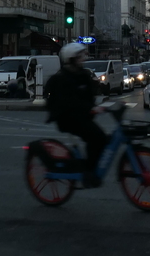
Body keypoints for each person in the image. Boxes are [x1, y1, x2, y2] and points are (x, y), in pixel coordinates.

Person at [44, 42, 108, 186]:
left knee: (101, 138)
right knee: (97, 138)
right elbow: (69, 102)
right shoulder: (62, 79)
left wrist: (97, 107)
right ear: (71, 59)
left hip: (82, 116)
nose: (83, 59)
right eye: (79, 57)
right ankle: (88, 172)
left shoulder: (83, 75)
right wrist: (90, 109)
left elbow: (89, 96)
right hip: (67, 119)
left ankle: (87, 166)